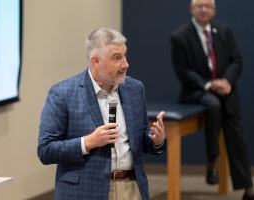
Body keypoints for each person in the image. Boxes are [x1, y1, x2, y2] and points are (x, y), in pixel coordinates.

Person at [38, 28, 166, 200]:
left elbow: (140, 136)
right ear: (96, 61)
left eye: (125, 55)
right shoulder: (63, 94)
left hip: (131, 187)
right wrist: (89, 142)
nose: (125, 64)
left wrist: (156, 140)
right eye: (116, 58)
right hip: (85, 192)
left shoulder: (135, 89)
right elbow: (46, 150)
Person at [170, 0, 254, 200]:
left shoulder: (224, 31)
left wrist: (227, 81)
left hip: (226, 91)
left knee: (237, 137)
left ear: (214, 10)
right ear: (191, 9)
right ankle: (212, 160)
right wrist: (209, 85)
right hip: (196, 92)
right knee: (213, 104)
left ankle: (249, 190)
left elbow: (236, 60)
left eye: (208, 6)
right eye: (199, 5)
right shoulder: (179, 36)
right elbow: (182, 71)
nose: (204, 9)